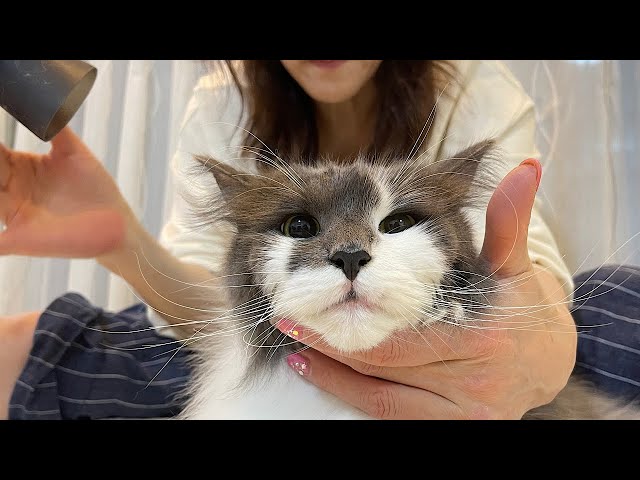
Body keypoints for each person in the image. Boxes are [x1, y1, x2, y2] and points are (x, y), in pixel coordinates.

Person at [0, 60, 632, 420]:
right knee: (54, 346)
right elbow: (212, 314)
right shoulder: (223, 103)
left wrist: (538, 353)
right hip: (281, 347)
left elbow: (532, 273)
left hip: (456, 338)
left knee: (610, 306)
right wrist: (120, 240)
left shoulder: (475, 86)